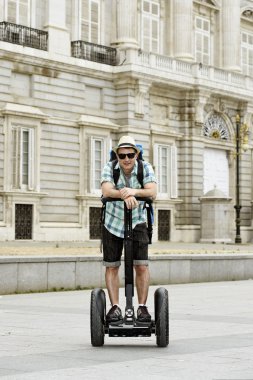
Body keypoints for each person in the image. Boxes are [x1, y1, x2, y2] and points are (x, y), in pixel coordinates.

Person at [101, 135, 157, 325]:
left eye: (130, 155)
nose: (126, 159)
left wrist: (133, 191)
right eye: (122, 155)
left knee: (141, 265)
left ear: (136, 154)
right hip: (112, 221)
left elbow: (152, 192)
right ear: (117, 155)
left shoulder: (145, 167)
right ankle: (115, 307)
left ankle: (141, 307)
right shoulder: (110, 167)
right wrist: (124, 194)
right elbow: (107, 191)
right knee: (112, 266)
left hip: (137, 221)